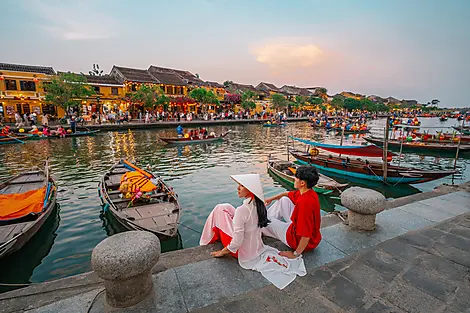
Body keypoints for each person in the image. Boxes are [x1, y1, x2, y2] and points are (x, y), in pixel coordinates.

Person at [200, 174, 306, 289]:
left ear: (250, 190)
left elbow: (237, 241)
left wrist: (223, 252)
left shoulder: (242, 210)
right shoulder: (260, 204)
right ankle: (208, 238)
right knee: (225, 207)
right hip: (256, 247)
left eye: (241, 186)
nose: (238, 188)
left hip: (241, 252)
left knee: (219, 210)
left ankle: (205, 241)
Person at [262, 166, 321, 259]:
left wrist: (295, 254)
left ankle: (263, 224)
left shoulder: (304, 203)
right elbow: (287, 194)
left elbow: (306, 235)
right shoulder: (309, 193)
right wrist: (271, 199)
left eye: (296, 178)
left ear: (302, 183)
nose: (294, 179)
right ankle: (268, 221)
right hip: (302, 232)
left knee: (263, 221)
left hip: (295, 240)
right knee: (284, 200)